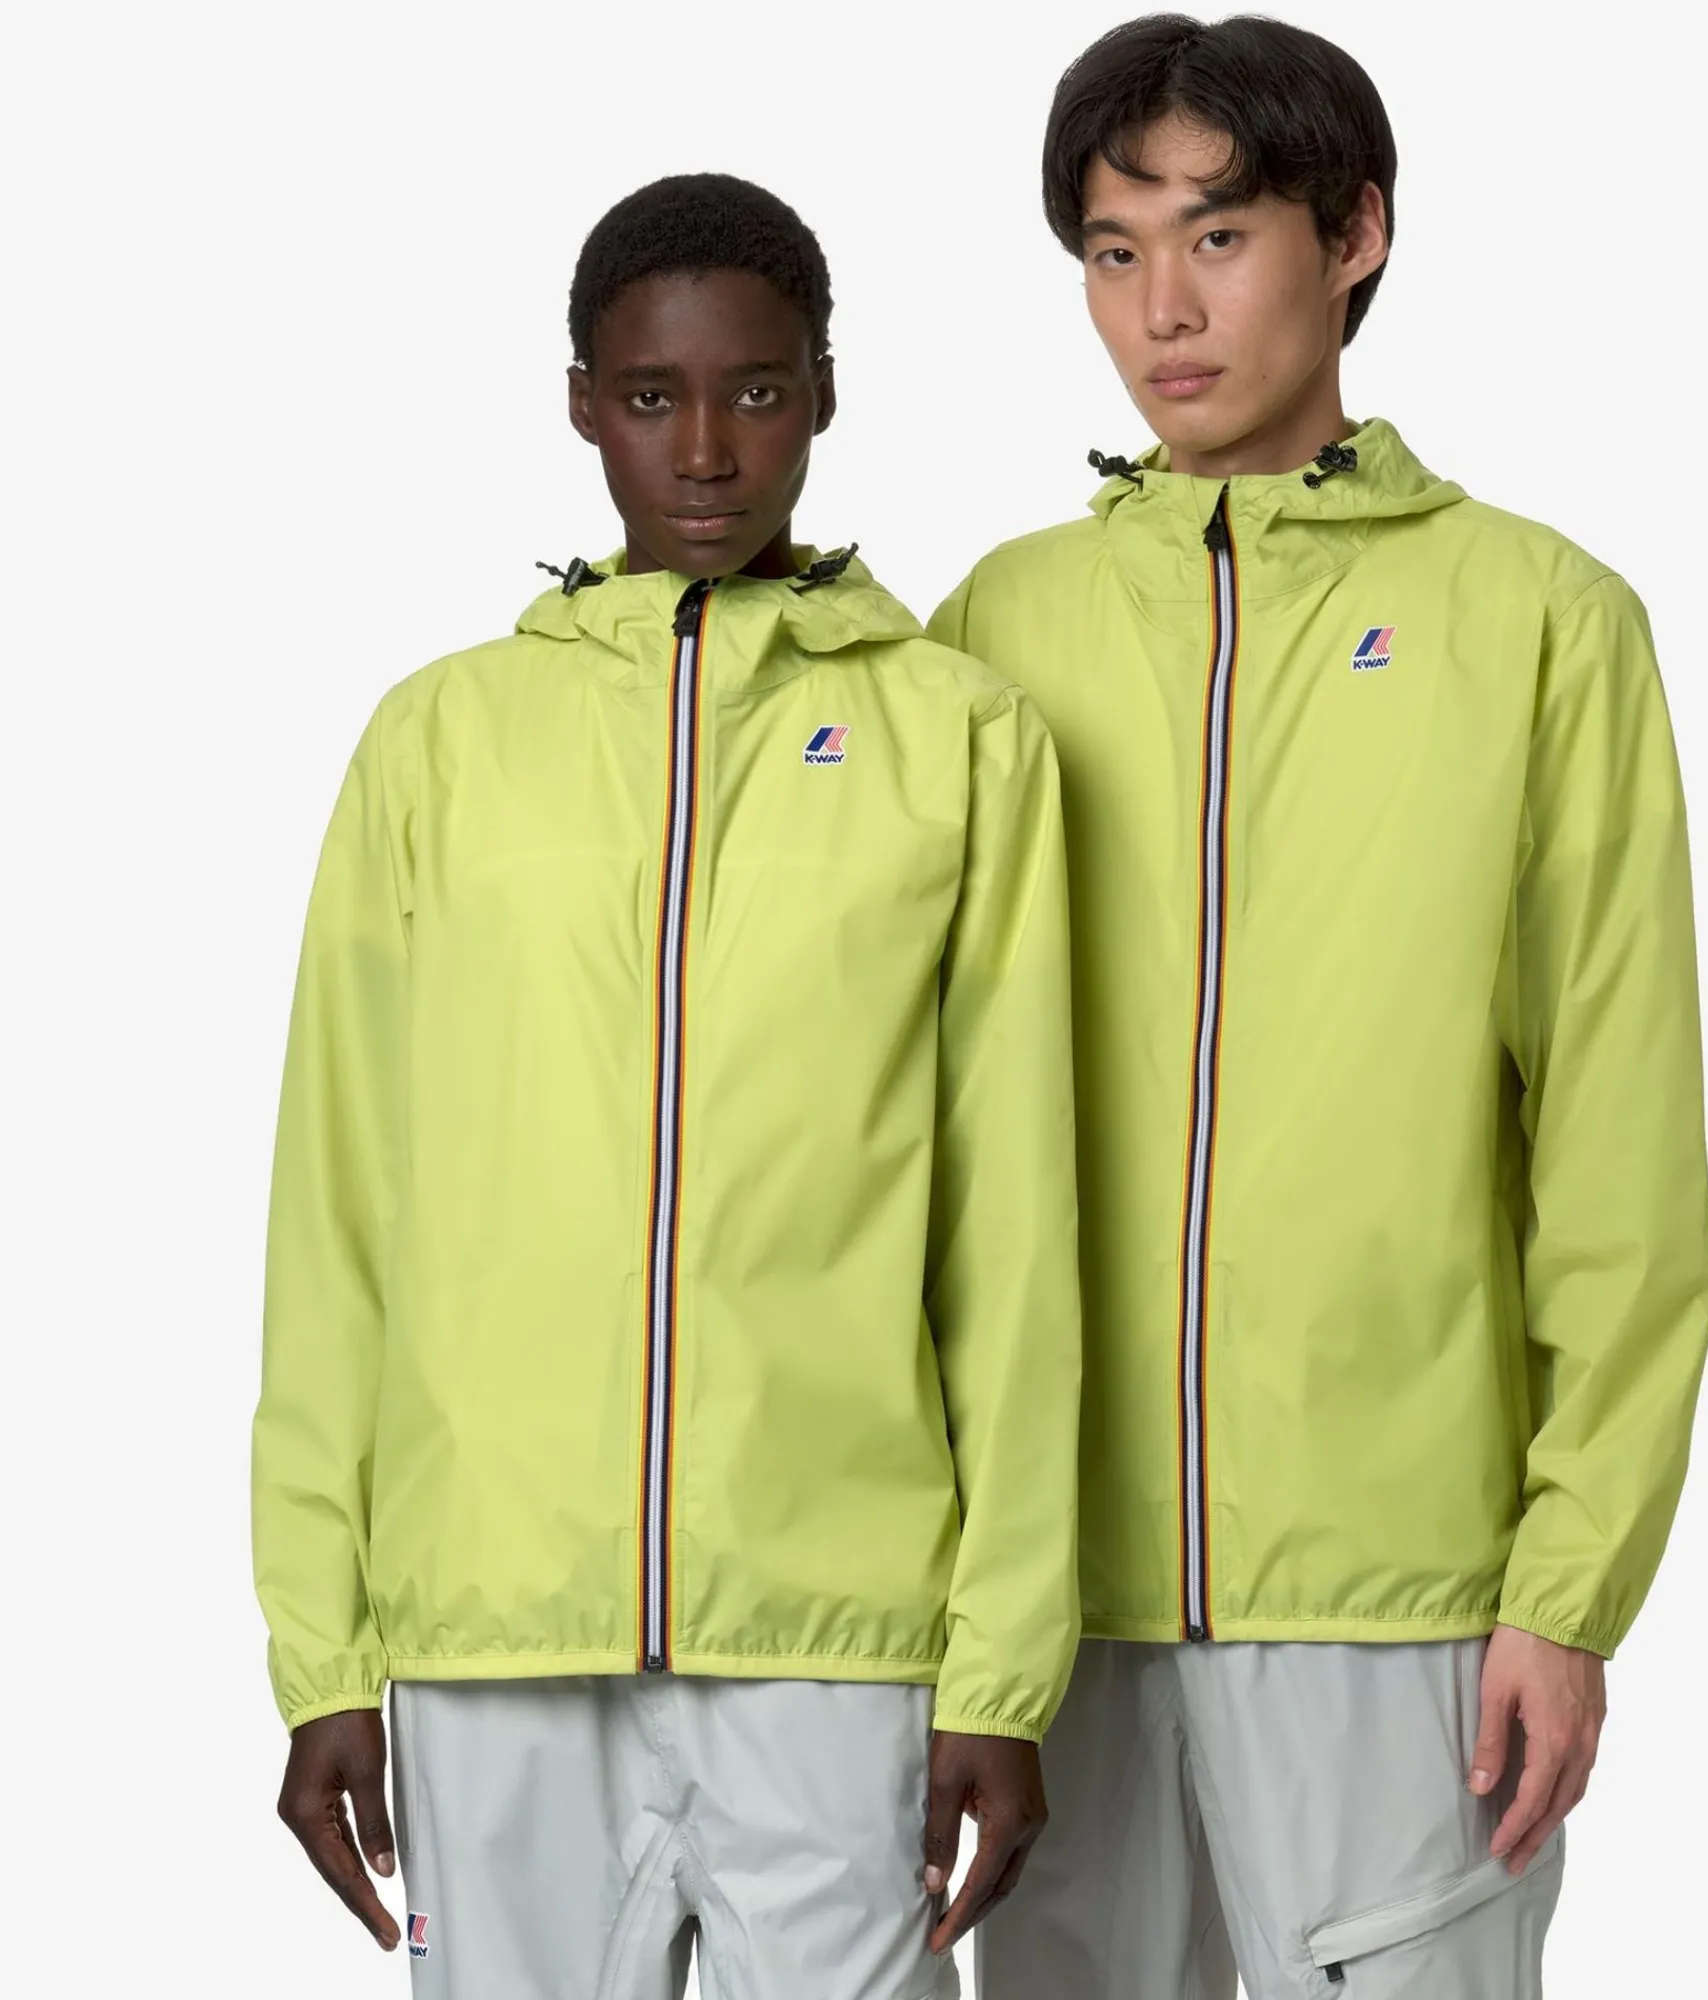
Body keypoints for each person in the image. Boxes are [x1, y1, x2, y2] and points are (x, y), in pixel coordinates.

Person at [929, 17, 1708, 1998]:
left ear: (1353, 234)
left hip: (1402, 1602)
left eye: (1216, 237)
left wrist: (1566, 1589)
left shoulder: (1540, 623)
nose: (1161, 312)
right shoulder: (992, 632)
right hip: (1047, 1616)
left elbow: (1618, 1151)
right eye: (1112, 253)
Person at [252, 172, 1081, 2000]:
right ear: (581, 404)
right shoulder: (440, 742)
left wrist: (1002, 1671)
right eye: (651, 398)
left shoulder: (957, 740)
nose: (706, 450)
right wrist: (324, 1655)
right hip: (492, 1633)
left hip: (835, 1635)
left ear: (826, 393)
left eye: (757, 392)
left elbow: (1016, 1238)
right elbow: (338, 1220)